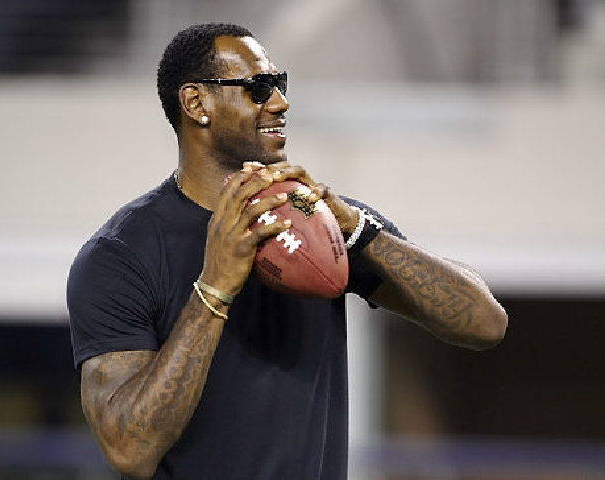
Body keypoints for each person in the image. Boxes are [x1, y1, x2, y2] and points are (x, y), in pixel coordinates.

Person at [67, 23, 507, 480]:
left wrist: (362, 233)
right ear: (196, 103)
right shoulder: (120, 256)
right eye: (258, 88)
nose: (280, 102)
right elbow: (129, 450)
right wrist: (213, 288)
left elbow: (485, 324)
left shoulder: (323, 223)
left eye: (280, 83)